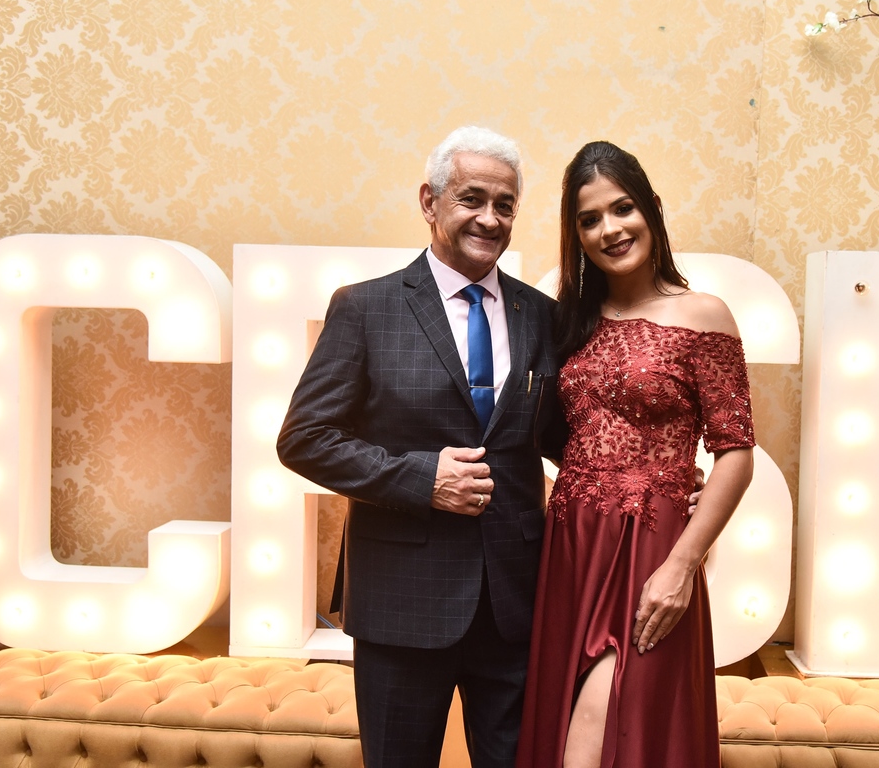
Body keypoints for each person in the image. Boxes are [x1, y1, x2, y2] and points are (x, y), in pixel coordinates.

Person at [276, 126, 564, 768]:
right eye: (471, 199)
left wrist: (651, 471)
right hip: (401, 603)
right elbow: (304, 438)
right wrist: (420, 478)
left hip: (516, 603)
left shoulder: (543, 316)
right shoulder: (365, 308)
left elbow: (558, 436)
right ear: (430, 202)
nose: (490, 218)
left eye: (505, 205)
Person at [514, 141, 756, 768]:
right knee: (565, 724)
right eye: (589, 219)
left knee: (605, 726)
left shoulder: (704, 315)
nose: (610, 230)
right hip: (571, 548)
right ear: (576, 234)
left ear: (652, 208)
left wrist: (683, 565)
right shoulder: (569, 321)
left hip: (653, 550)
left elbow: (736, 452)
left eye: (622, 208)